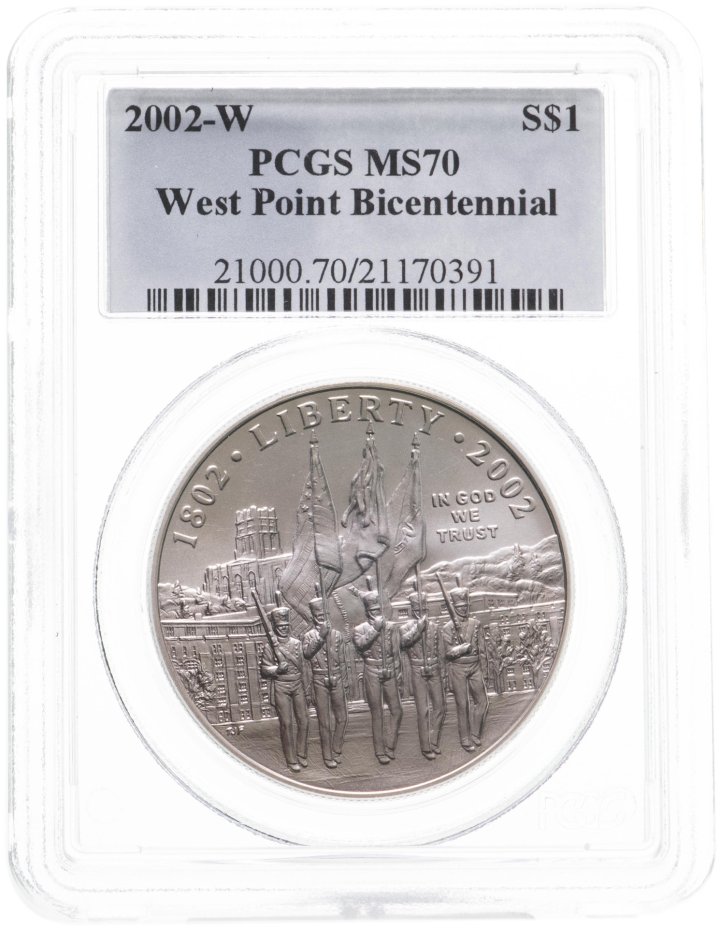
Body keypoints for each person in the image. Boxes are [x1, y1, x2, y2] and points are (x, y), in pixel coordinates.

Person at [352, 578, 403, 765]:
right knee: (377, 713)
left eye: (378, 610)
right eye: (373, 611)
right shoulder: (360, 629)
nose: (376, 613)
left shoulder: (392, 627)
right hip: (372, 671)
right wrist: (375, 629)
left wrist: (397, 671)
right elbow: (360, 645)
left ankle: (390, 745)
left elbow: (396, 651)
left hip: (389, 671)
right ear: (367, 612)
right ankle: (380, 751)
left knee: (397, 710)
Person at [259, 593, 310, 773]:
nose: (283, 629)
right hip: (281, 686)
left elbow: (304, 667)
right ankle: (291, 759)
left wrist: (307, 688)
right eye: (280, 626)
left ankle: (301, 753)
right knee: (286, 724)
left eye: (286, 626)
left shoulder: (297, 644)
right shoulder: (269, 647)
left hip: (298, 685)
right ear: (275, 627)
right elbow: (264, 669)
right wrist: (277, 669)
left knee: (304, 720)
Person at [302, 587, 349, 769]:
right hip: (319, 680)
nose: (322, 618)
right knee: (324, 722)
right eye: (319, 616)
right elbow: (307, 654)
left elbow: (343, 659)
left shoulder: (337, 635)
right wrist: (320, 637)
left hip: (336, 678)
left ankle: (336, 748)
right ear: (314, 617)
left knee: (342, 718)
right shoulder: (309, 636)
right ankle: (327, 756)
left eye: (324, 615)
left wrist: (345, 679)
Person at [441, 576, 489, 752]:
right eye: (460, 606)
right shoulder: (447, 628)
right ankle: (465, 739)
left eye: (465, 606)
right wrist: (461, 648)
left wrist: (485, 671)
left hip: (475, 666)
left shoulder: (476, 624)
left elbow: (482, 649)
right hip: (458, 667)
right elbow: (447, 653)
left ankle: (475, 733)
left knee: (482, 702)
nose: (463, 609)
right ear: (454, 606)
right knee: (462, 704)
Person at [400, 580, 446, 759]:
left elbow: (441, 651)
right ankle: (425, 747)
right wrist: (418, 630)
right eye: (418, 608)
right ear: (412, 609)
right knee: (423, 710)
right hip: (417, 669)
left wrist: (443, 672)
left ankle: (434, 741)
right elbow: (403, 643)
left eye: (424, 608)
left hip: (434, 668)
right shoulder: (405, 628)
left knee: (440, 707)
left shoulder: (434, 627)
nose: (422, 611)